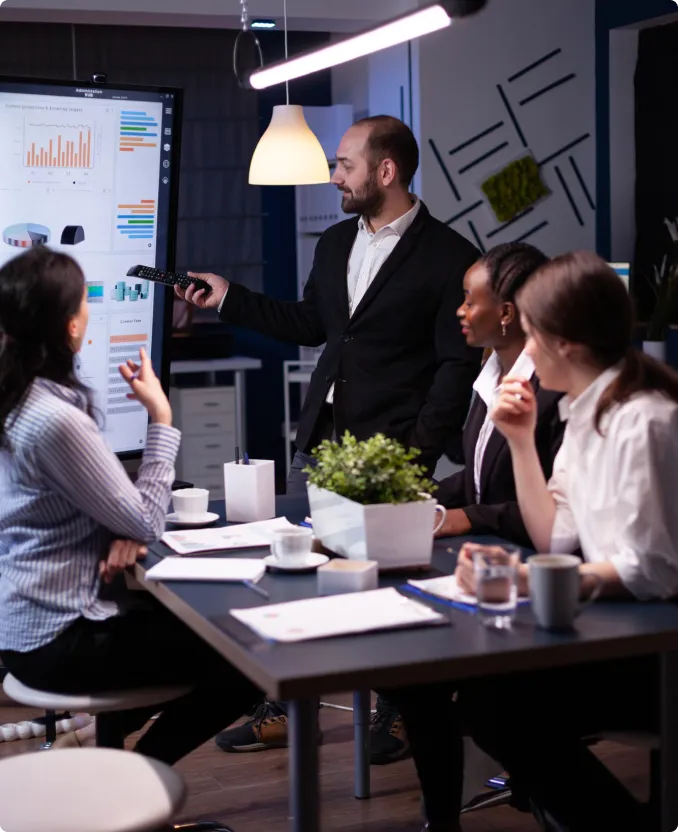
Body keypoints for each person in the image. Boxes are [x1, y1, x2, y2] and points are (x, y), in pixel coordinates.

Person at [177, 114, 482, 754]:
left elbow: (458, 367)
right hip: (321, 441)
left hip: (394, 453)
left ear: (386, 171)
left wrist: (417, 452)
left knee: (393, 585)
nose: (333, 175)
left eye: (344, 164)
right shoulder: (335, 243)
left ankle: (400, 711)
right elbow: (312, 325)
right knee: (303, 573)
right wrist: (229, 297)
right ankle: (291, 709)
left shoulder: (452, 257)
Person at [0, 247, 262, 766]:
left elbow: (96, 508)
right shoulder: (55, 417)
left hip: (26, 627)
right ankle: (141, 771)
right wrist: (161, 416)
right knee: (246, 659)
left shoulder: (20, 399)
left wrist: (117, 525)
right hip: (62, 637)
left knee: (179, 625)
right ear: (69, 324)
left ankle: (116, 764)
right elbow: (143, 517)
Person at [453, 251, 678, 831]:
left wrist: (530, 577)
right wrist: (521, 442)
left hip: (657, 649)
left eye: (531, 336)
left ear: (567, 346)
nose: (523, 351)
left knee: (499, 704)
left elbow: (650, 571)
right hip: (622, 632)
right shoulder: (585, 411)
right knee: (485, 698)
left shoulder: (645, 420)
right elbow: (554, 533)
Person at [370, 243, 565, 773]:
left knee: (428, 676)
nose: (459, 310)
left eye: (467, 299)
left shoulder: (550, 390)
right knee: (407, 672)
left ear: (505, 313)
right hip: (482, 563)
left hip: (528, 581)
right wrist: (419, 497)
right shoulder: (488, 377)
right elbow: (478, 478)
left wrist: (463, 518)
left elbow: (547, 508)